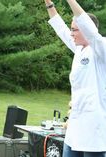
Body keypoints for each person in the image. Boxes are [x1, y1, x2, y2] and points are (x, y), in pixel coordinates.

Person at [44, 0, 106, 156]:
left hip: (94, 125)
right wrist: (49, 4)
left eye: (75, 30)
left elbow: (90, 30)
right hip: (75, 123)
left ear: (86, 29)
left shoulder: (101, 48)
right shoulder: (79, 49)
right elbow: (60, 29)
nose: (71, 33)